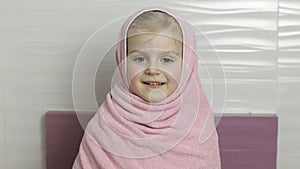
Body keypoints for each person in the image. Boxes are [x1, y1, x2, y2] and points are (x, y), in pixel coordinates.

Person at [73, 6, 221, 169]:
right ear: (122, 61)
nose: (152, 69)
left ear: (188, 64)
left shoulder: (197, 122)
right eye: (140, 58)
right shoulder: (105, 123)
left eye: (166, 60)